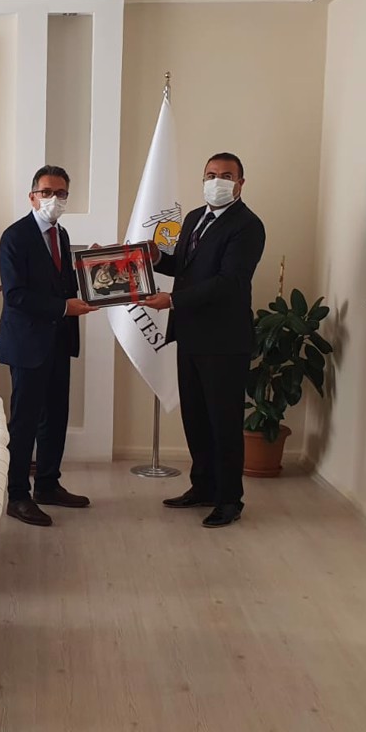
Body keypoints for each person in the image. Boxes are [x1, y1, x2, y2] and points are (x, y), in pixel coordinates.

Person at [141, 153, 265, 528]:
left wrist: (173, 300)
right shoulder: (195, 217)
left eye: (226, 175)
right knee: (195, 418)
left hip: (224, 341)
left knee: (223, 423)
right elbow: (183, 266)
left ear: (241, 183)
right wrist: (154, 257)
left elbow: (230, 282)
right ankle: (203, 487)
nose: (217, 181)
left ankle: (229, 500)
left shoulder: (248, 226)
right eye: (210, 175)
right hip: (190, 335)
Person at [0, 166, 98, 527]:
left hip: (58, 340)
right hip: (27, 344)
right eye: (47, 192)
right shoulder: (14, 236)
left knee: (56, 416)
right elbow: (16, 295)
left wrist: (94, 268)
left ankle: (48, 485)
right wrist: (63, 308)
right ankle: (17, 495)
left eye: (61, 193)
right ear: (32, 196)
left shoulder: (61, 234)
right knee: (25, 421)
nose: (54, 199)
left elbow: (63, 283)